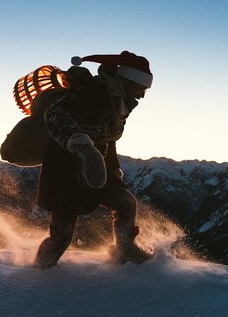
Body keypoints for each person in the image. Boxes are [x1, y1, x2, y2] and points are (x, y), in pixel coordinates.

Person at [34, 51, 153, 269]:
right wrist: (82, 146)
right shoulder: (94, 92)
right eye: (141, 88)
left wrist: (113, 170)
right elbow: (54, 113)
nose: (142, 95)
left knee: (125, 203)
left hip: (97, 166)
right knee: (62, 237)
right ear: (127, 80)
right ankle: (40, 273)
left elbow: (108, 140)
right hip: (64, 171)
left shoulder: (118, 103)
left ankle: (123, 249)